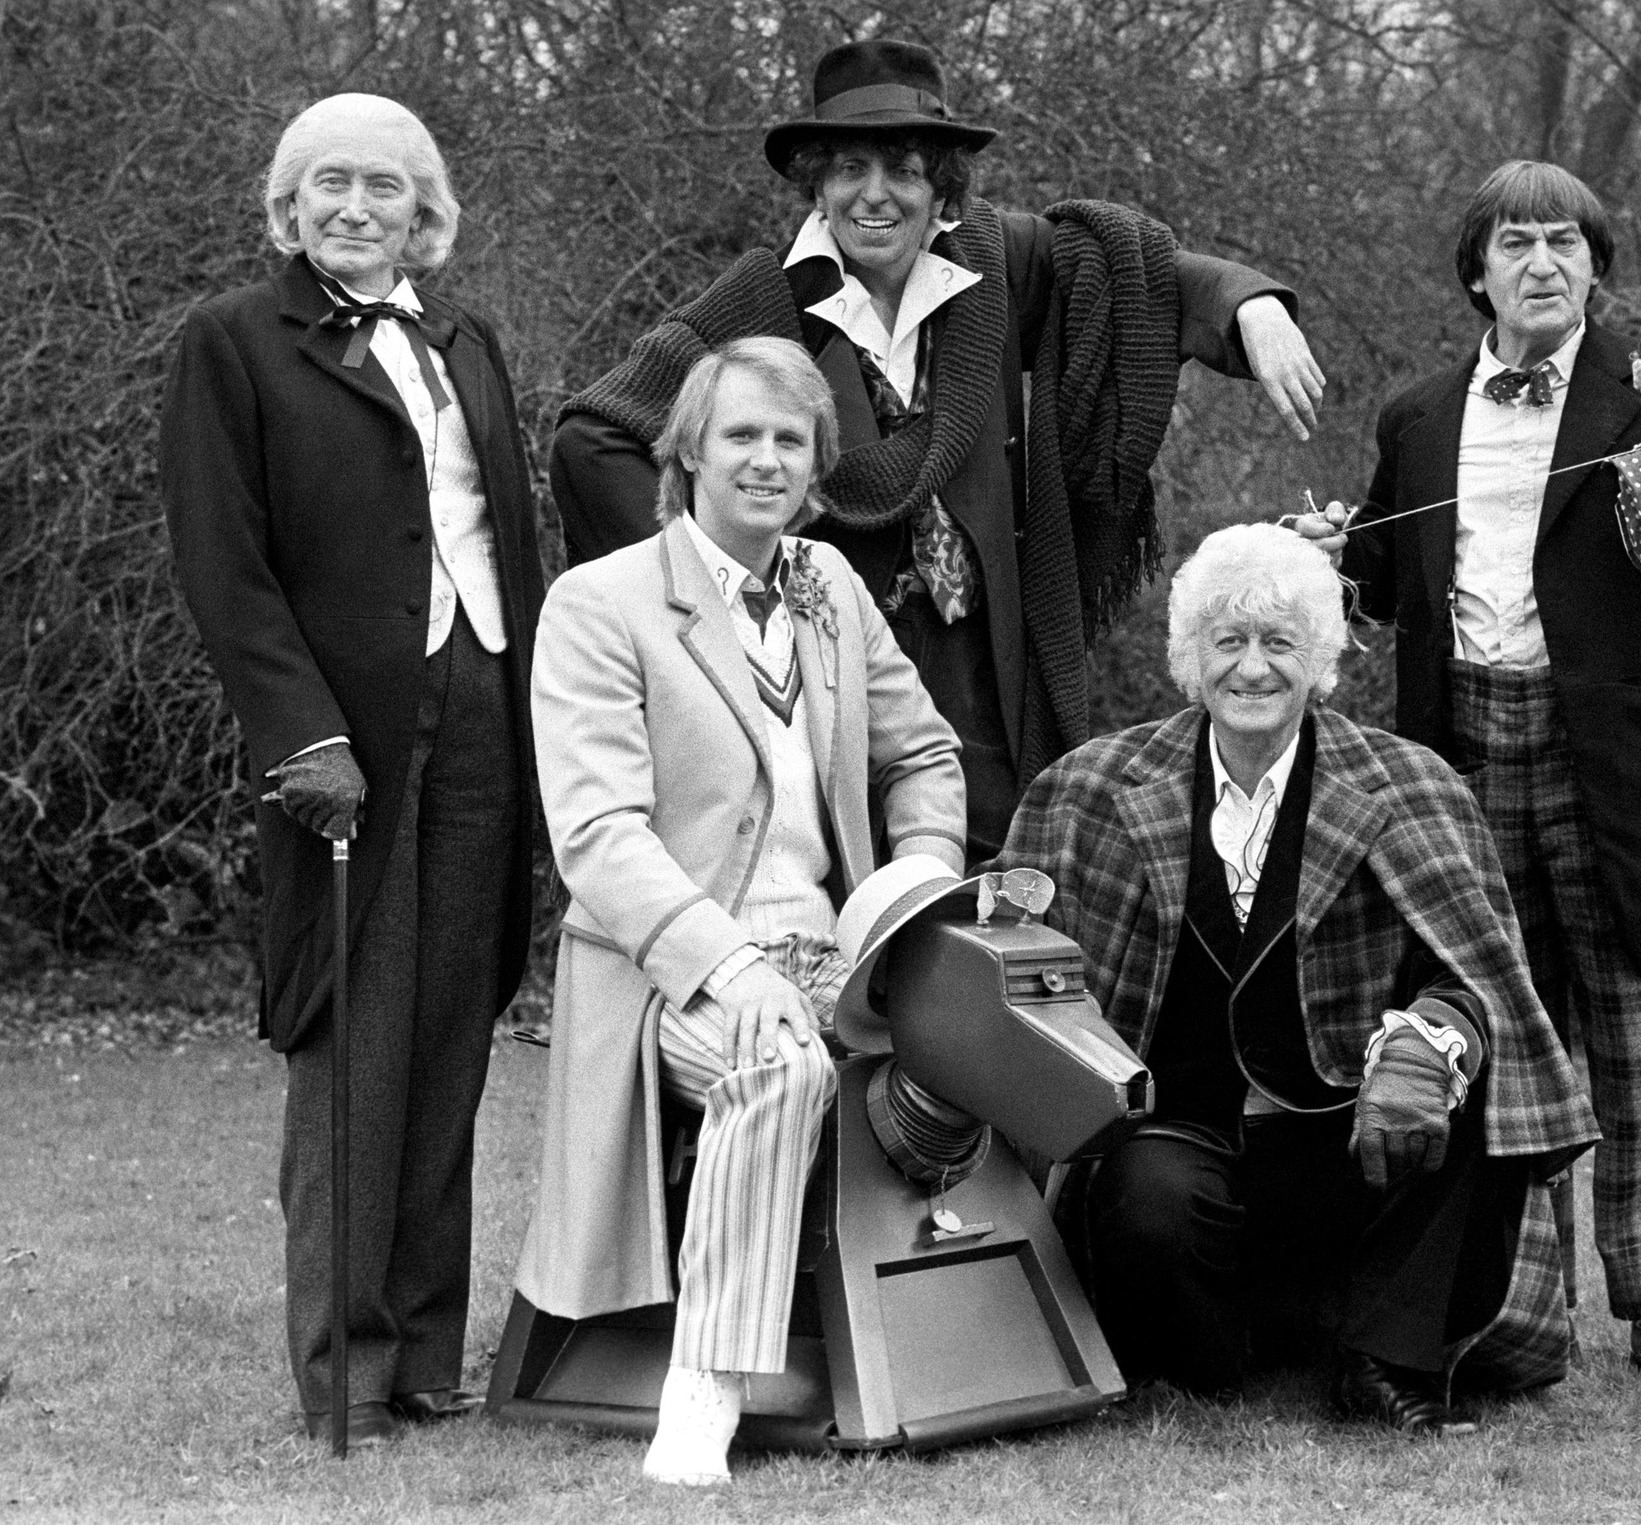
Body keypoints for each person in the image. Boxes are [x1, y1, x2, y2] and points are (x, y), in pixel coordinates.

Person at [1308, 160, 1641, 1382]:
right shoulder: (1418, 415)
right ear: (1476, 271)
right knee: (1496, 1025)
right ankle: (1518, 1309)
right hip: (1461, 757)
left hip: (1616, 766)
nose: (1541, 263)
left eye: (1565, 242)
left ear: (1596, 266)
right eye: (1515, 243)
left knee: (1640, 1027)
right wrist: (1327, 556)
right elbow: (1383, 591)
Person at [548, 37, 1326, 861]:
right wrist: (716, 592)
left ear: (940, 185)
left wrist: (1252, 309)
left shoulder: (989, 265)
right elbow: (592, 438)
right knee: (857, 901)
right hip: (835, 675)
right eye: (850, 169)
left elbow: (1138, 273)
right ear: (819, 179)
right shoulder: (765, 299)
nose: (875, 197)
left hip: (987, 669)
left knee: (999, 899)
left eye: (906, 171)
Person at [997, 524, 1599, 1433]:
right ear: (1188, 659)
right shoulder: (1087, 787)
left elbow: (1480, 981)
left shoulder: (1411, 783)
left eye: (1279, 643)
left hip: (1358, 1146)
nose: (1252, 669)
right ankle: (1228, 1344)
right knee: (1144, 1202)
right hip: (1180, 1139)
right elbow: (1014, 976)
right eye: (1228, 642)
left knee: (1475, 1094)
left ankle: (1387, 1360)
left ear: (1319, 662)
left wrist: (1429, 1041)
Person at [159, 95, 546, 1444]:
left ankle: (427, 1351)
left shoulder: (464, 339)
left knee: (450, 1031)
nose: (354, 208)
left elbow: (508, 531)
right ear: (289, 203)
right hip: (348, 740)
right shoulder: (234, 343)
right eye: (327, 184)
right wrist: (301, 736)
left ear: (423, 208)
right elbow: (225, 561)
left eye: (383, 186)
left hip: (489, 704)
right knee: (353, 1041)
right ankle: (348, 1369)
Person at [513, 336, 966, 1485]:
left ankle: (993, 1357)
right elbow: (599, 839)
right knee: (779, 1068)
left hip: (840, 950)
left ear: (817, 464)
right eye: (742, 437)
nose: (766, 461)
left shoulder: (829, 585)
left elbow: (925, 755)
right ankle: (702, 1397)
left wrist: (912, 887)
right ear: (688, 455)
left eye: (790, 440)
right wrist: (733, 970)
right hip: (667, 971)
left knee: (1002, 1030)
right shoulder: (600, 603)